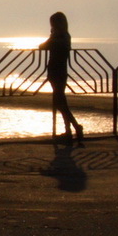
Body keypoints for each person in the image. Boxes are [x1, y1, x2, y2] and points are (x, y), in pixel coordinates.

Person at [39, 11, 84, 144]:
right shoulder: (65, 36)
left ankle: (75, 127)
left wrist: (51, 37)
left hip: (56, 70)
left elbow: (43, 46)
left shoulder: (58, 36)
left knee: (60, 102)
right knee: (60, 101)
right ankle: (69, 131)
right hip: (60, 70)